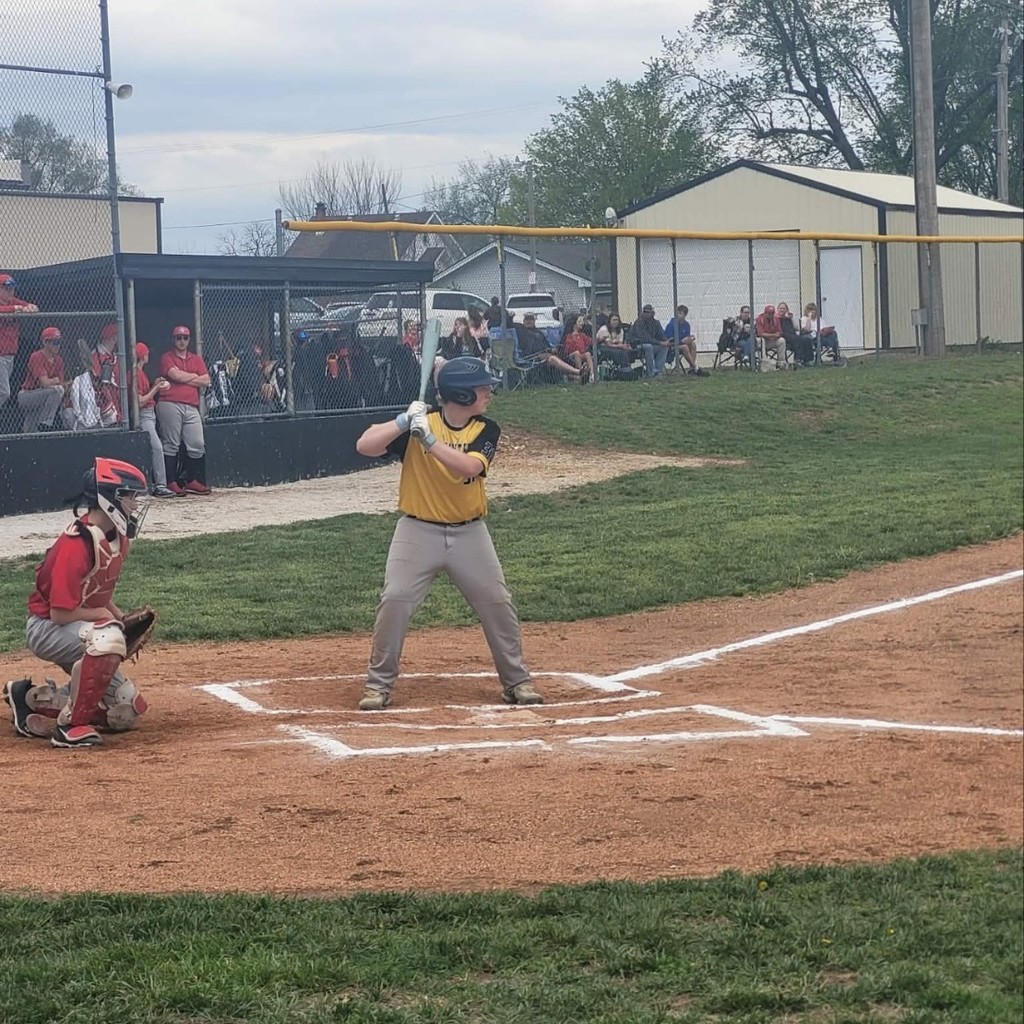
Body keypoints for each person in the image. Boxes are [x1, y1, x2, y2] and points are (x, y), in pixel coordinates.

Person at [354, 357, 543, 711]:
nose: (488, 393)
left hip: (470, 534)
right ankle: (378, 686)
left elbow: (468, 467)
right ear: (461, 392)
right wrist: (401, 422)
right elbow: (364, 445)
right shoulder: (417, 425)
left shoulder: (485, 429)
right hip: (416, 530)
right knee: (395, 599)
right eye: (482, 388)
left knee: (497, 603)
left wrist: (426, 440)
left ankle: (517, 682)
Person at [3, 457, 152, 748]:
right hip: (46, 628)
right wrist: (108, 622)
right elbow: (59, 613)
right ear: (108, 498)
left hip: (73, 625)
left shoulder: (116, 539)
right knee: (107, 637)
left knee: (125, 708)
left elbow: (98, 594)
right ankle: (71, 727)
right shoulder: (76, 544)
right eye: (129, 496)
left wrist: (119, 618)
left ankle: (30, 699)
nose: (135, 504)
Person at [157, 325, 213, 495]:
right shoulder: (167, 357)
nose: (182, 341)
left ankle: (191, 481)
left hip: (191, 406)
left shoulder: (196, 358)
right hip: (170, 403)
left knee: (196, 443)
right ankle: (170, 482)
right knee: (171, 444)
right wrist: (195, 377)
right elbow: (175, 375)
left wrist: (186, 377)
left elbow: (206, 380)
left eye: (185, 338)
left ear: (189, 340)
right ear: (174, 340)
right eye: (178, 338)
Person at [134, 342, 175, 497]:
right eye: (146, 353)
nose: (148, 355)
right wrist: (156, 388)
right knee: (157, 448)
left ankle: (157, 484)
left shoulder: (140, 372)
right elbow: (140, 401)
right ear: (143, 356)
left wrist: (154, 385)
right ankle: (160, 486)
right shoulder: (136, 373)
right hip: (144, 415)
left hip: (150, 414)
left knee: (156, 447)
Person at [0, 273, 39, 409]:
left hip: (9, 356)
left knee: (3, 391)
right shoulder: (11, 305)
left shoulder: (13, 301)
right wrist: (15, 309)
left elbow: (32, 307)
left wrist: (29, 308)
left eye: (12, 288)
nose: (11, 291)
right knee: (4, 392)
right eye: (6, 288)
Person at [17, 326, 66, 433]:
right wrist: (55, 380)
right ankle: (45, 423)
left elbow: (61, 383)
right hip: (28, 395)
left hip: (44, 397)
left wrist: (54, 382)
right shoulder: (37, 356)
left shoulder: (59, 360)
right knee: (56, 391)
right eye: (55, 342)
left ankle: (28, 437)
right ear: (45, 342)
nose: (58, 345)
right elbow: (44, 383)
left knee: (30, 429)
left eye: (59, 342)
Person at [515, 313, 581, 382]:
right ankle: (578, 372)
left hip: (544, 354)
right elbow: (507, 323)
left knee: (561, 356)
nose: (528, 321)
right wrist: (510, 316)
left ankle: (578, 377)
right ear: (523, 321)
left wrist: (551, 350)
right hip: (532, 357)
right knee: (552, 358)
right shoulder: (520, 331)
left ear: (534, 321)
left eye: (531, 319)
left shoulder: (540, 333)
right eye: (526, 319)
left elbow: (546, 346)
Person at [91, 322, 123, 425]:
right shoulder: (96, 355)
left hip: (117, 399)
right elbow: (97, 380)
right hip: (104, 402)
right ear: (113, 338)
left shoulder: (114, 356)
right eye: (117, 336)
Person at [627, 303, 670, 377]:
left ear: (653, 313)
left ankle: (657, 371)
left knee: (664, 347)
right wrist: (660, 342)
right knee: (648, 346)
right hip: (636, 345)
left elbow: (662, 336)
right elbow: (644, 339)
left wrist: (667, 342)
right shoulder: (639, 323)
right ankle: (651, 373)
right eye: (644, 312)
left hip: (651, 345)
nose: (646, 314)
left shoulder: (656, 323)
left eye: (648, 312)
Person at [664, 305, 705, 375]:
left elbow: (687, 338)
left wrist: (690, 339)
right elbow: (668, 341)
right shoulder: (671, 325)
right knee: (685, 347)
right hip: (672, 347)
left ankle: (691, 369)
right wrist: (681, 341)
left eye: (680, 313)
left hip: (682, 345)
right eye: (677, 313)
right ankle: (695, 368)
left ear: (685, 315)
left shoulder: (687, 325)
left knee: (693, 344)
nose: (678, 315)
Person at [560, 315, 595, 383]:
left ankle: (591, 375)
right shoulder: (569, 336)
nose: (582, 323)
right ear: (574, 323)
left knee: (587, 354)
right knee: (576, 353)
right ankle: (581, 373)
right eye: (579, 321)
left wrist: (599, 338)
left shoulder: (582, 335)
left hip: (581, 354)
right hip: (570, 355)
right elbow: (567, 349)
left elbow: (591, 341)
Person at [755, 305, 786, 369]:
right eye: (769, 314)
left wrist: (772, 336)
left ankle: (781, 362)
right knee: (761, 340)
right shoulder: (759, 319)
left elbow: (779, 332)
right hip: (763, 342)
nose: (770, 315)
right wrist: (773, 335)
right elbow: (760, 333)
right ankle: (764, 361)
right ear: (765, 313)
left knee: (782, 340)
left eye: (772, 313)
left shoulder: (775, 319)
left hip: (772, 340)